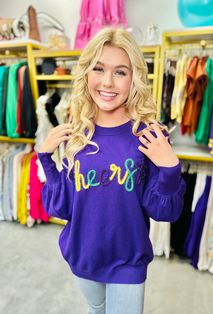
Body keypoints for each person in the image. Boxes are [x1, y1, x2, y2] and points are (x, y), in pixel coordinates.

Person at [38, 27, 186, 314]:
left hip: (128, 260)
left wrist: (170, 168)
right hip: (82, 256)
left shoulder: (148, 135)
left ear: (134, 78)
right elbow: (63, 207)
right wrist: (46, 158)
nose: (108, 82)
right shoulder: (78, 133)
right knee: (97, 309)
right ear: (86, 74)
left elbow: (165, 212)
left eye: (120, 72)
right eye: (98, 69)